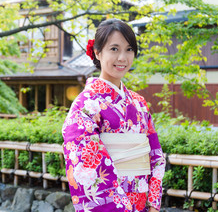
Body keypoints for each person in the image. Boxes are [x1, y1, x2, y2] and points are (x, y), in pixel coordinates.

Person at [62, 19, 165, 212]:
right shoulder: (85, 105)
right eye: (114, 49)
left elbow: (156, 156)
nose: (123, 58)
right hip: (112, 205)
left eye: (129, 49)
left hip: (144, 205)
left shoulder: (140, 104)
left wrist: (153, 204)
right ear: (98, 52)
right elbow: (85, 163)